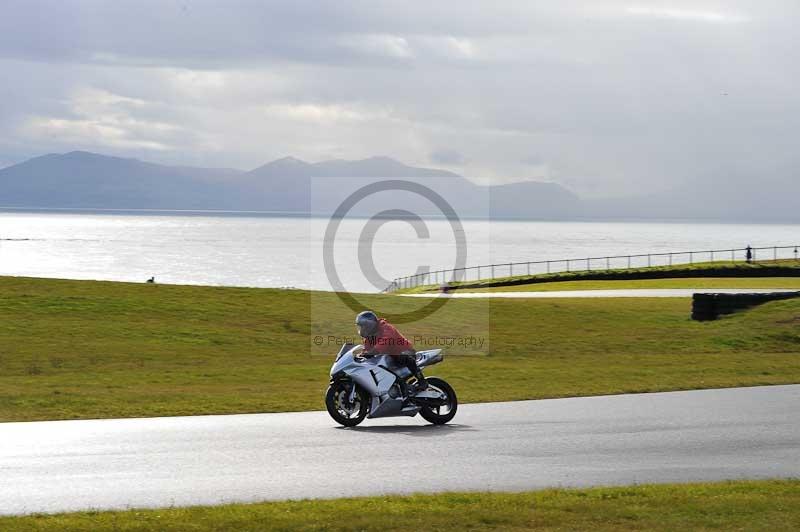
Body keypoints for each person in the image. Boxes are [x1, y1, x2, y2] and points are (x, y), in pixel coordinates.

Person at [355, 310, 427, 390]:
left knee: (403, 357)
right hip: (390, 356)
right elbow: (366, 350)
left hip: (405, 351)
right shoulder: (369, 337)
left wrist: (372, 352)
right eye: (360, 326)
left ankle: (422, 381)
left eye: (363, 326)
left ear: (369, 325)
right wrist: (360, 357)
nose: (362, 329)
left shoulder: (386, 327)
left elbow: (386, 341)